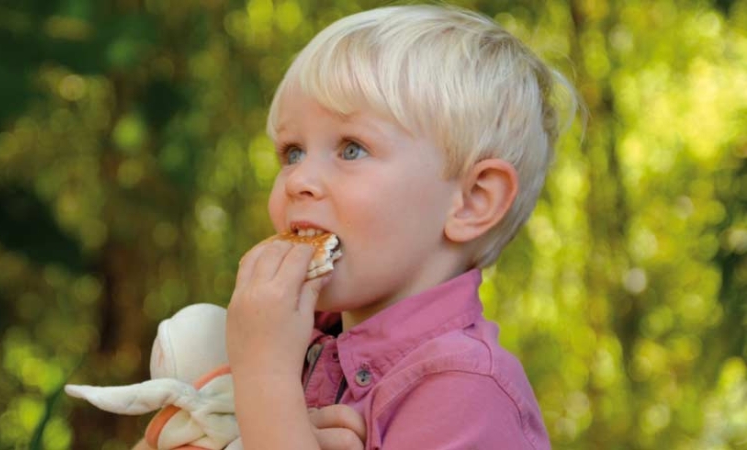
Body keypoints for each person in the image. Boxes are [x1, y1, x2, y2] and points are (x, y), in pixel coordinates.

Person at [225, 3, 578, 450]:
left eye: (351, 149)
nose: (299, 180)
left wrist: (263, 378)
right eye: (293, 152)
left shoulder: (466, 390)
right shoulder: (294, 339)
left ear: (472, 201)